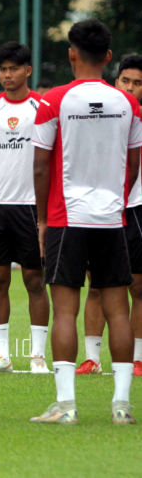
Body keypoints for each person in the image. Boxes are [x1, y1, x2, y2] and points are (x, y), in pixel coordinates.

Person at [31, 19, 140, 425]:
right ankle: (122, 405)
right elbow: (132, 165)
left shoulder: (52, 100)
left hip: (66, 219)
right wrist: (115, 201)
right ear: (109, 58)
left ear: (72, 54)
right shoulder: (129, 103)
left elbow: (40, 167)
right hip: (112, 219)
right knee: (118, 311)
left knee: (64, 311)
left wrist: (42, 220)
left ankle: (66, 405)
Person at [0, 42, 51, 374]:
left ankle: (37, 357)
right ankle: (1, 356)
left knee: (35, 279)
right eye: (2, 69)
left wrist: (48, 214)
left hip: (31, 207)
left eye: (14, 68)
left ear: (27, 71)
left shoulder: (43, 108)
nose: (7, 74)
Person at [77, 54, 142, 377]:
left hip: (136, 207)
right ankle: (92, 358)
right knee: (96, 286)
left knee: (138, 286)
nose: (131, 87)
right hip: (101, 209)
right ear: (116, 81)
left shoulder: (136, 117)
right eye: (126, 80)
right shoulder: (102, 113)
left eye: (138, 82)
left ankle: (138, 358)